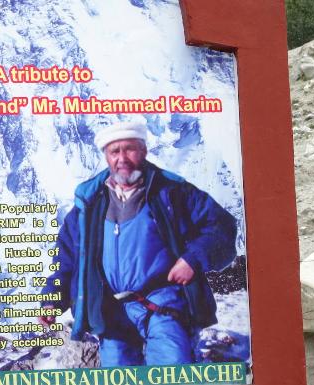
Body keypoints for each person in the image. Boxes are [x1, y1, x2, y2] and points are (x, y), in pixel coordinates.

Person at [39, 121, 237, 366]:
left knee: (172, 373)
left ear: (143, 151)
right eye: (114, 151)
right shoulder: (88, 204)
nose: (122, 158)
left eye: (129, 149)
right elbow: (66, 260)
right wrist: (51, 299)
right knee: (118, 377)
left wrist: (192, 259)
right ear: (106, 157)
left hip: (164, 303)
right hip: (111, 309)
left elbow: (221, 227)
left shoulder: (172, 192)